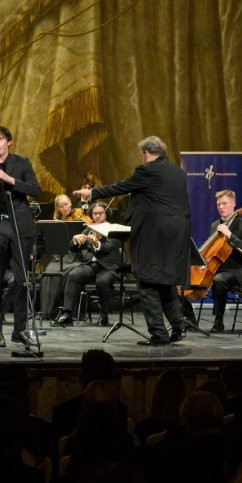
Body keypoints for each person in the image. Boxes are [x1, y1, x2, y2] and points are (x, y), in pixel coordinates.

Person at [74, 135, 190, 346]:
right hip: (177, 234)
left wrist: (92, 192)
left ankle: (159, 333)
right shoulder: (178, 172)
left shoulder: (148, 170)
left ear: (146, 153)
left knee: (146, 281)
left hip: (154, 234)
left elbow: (121, 186)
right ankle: (178, 325)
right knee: (165, 281)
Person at [0, 125, 42, 348]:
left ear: (8, 142)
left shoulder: (21, 163)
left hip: (19, 225)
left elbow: (35, 189)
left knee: (22, 280)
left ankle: (19, 330)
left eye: (0, 139)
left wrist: (8, 178)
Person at [52, 201, 123, 326]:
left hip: (109, 267)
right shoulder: (89, 229)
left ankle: (104, 315)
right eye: (95, 213)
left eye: (100, 213)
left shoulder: (113, 229)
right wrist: (75, 239)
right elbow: (73, 248)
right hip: (92, 265)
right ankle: (67, 314)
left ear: (106, 214)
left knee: (102, 281)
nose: (97, 215)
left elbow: (110, 246)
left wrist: (97, 243)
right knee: (73, 275)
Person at [204, 189, 242, 332]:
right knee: (186, 278)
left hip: (236, 270)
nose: (221, 207)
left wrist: (230, 236)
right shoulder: (215, 225)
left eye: (224, 203)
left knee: (219, 279)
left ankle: (218, 321)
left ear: (233, 204)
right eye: (218, 204)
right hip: (216, 268)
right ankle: (189, 319)